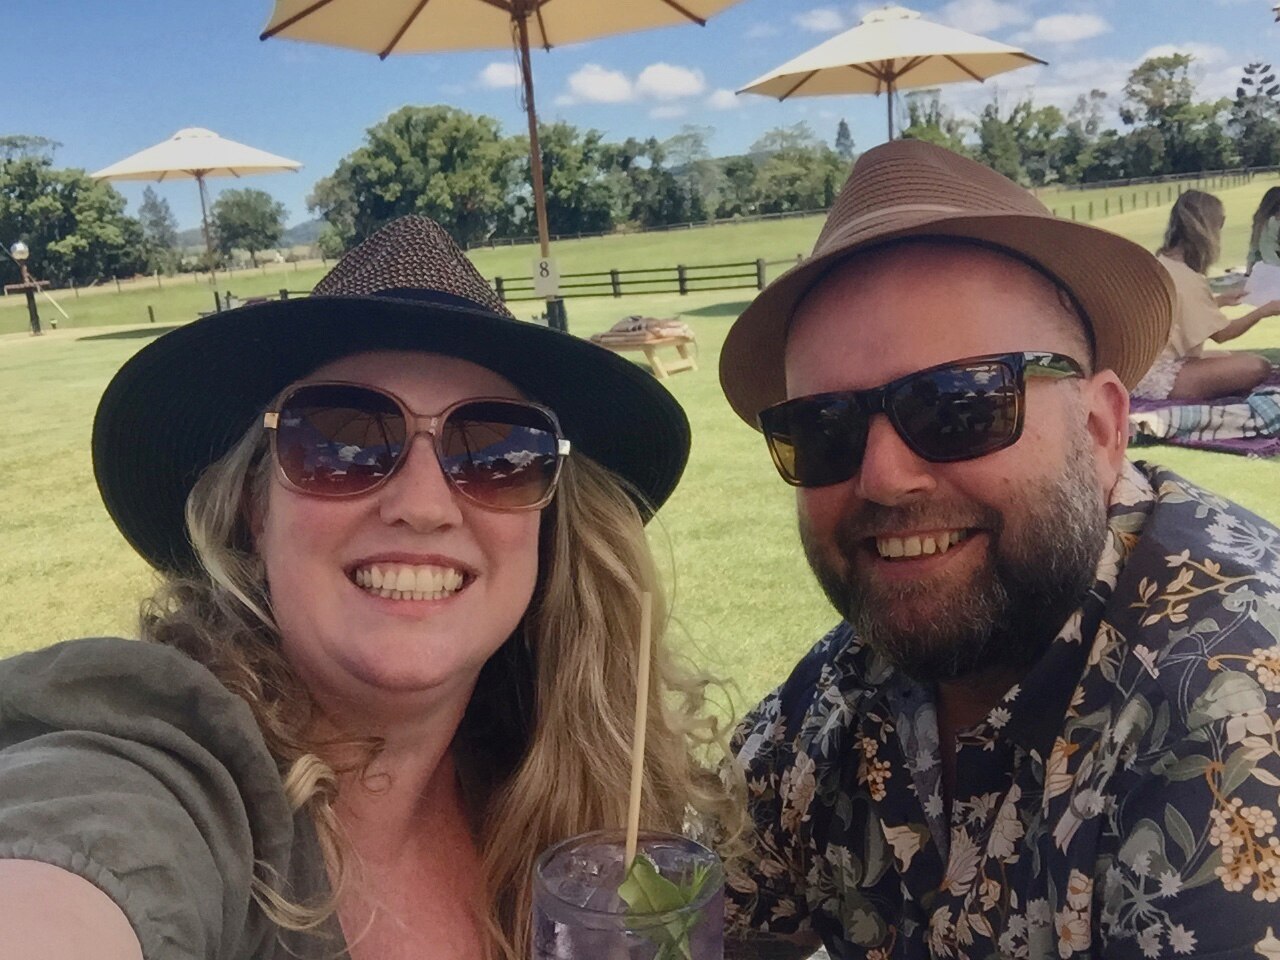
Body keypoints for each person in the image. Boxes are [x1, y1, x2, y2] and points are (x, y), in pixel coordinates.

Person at [0, 216, 737, 960]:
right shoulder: (164, 764)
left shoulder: (571, 794)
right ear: (256, 506)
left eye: (499, 452)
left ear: (547, 526)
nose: (422, 504)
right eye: (340, 441)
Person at [718, 141, 1280, 960]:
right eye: (823, 428)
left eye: (959, 404)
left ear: (1100, 430)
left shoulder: (1235, 709)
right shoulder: (847, 688)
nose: (882, 476)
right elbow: (698, 902)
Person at [1132, 189, 1277, 401]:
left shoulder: (1161, 263)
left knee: (1225, 358)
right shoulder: (1186, 277)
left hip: (1137, 368)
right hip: (1155, 376)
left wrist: (1218, 302)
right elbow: (1222, 335)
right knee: (1257, 366)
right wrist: (1263, 312)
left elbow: (1175, 313)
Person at [1247, 185, 1280, 270]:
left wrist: (1248, 272)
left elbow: (1253, 251)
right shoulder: (1275, 222)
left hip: (1264, 267)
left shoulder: (1260, 221)